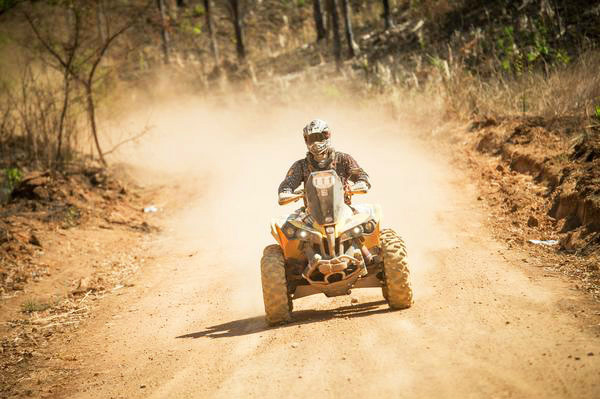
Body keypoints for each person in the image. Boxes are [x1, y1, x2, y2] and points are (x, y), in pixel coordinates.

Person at [278, 119, 371, 205]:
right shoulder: (301, 165)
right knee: (280, 223)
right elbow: (286, 186)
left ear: (326, 136)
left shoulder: (343, 159)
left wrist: (358, 185)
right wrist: (288, 193)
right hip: (311, 214)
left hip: (343, 210)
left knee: (370, 217)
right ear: (306, 140)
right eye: (311, 139)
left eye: (318, 137)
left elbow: (361, 175)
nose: (315, 142)